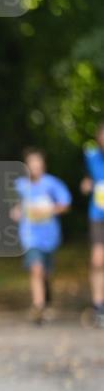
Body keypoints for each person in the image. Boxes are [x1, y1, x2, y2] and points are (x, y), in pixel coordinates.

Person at [11, 148, 71, 324]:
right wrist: (16, 211)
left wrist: (48, 209)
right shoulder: (20, 185)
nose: (34, 165)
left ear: (43, 164)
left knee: (45, 273)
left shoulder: (52, 184)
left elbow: (65, 204)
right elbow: (16, 206)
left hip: (49, 236)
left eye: (37, 162)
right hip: (30, 236)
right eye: (31, 162)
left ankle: (46, 298)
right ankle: (38, 307)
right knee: (36, 269)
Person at [80, 122, 104, 328]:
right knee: (97, 261)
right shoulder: (91, 156)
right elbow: (89, 177)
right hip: (98, 215)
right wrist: (86, 184)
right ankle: (98, 306)